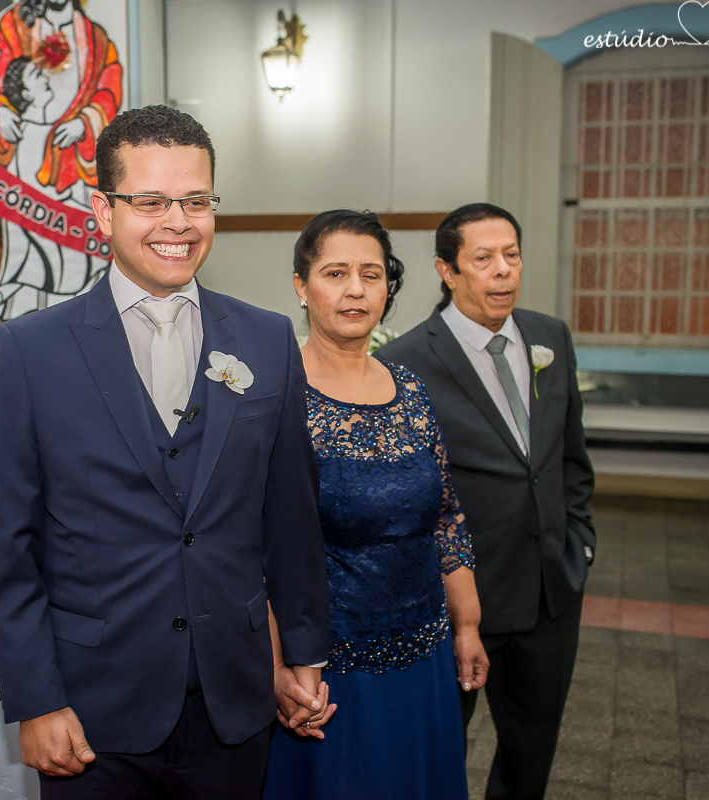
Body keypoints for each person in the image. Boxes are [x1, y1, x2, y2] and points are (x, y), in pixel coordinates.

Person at [0, 104, 330, 799]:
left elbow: (290, 518)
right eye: (152, 201)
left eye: (196, 200)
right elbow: (8, 548)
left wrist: (302, 654)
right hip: (91, 708)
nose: (179, 221)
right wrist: (37, 700)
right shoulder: (28, 352)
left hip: (234, 697)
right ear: (103, 212)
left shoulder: (265, 340)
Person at [263, 210, 489, 800]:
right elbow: (250, 550)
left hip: (423, 653)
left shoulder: (409, 389)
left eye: (372, 272)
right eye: (335, 273)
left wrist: (467, 625)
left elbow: (445, 516)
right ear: (300, 286)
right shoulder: (276, 395)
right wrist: (275, 666)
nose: (356, 289)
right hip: (326, 669)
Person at [375, 203, 596, 800]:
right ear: (448, 271)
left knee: (532, 753)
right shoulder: (405, 364)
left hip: (551, 590)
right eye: (484, 259)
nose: (503, 271)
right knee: (439, 751)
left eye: (512, 256)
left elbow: (570, 459)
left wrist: (580, 543)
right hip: (458, 599)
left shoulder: (550, 338)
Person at [0, 0, 122, 330]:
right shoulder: (14, 24)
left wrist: (84, 123)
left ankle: (72, 314)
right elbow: (0, 82)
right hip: (30, 152)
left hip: (75, 162)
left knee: (78, 256)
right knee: (31, 244)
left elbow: (109, 88)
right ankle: (26, 315)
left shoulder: (94, 37)